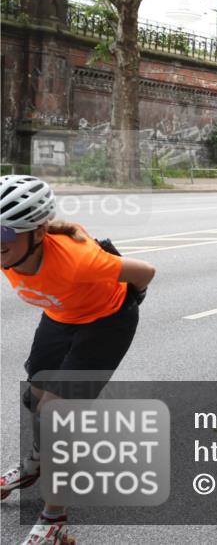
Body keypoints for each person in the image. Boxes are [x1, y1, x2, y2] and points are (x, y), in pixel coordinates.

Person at [0, 175, 156, 545]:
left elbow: (145, 272)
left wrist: (126, 300)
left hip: (107, 322)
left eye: (3, 240)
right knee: (33, 397)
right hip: (60, 315)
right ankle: (35, 466)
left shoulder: (79, 260)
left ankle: (55, 518)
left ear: (37, 233)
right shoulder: (12, 249)